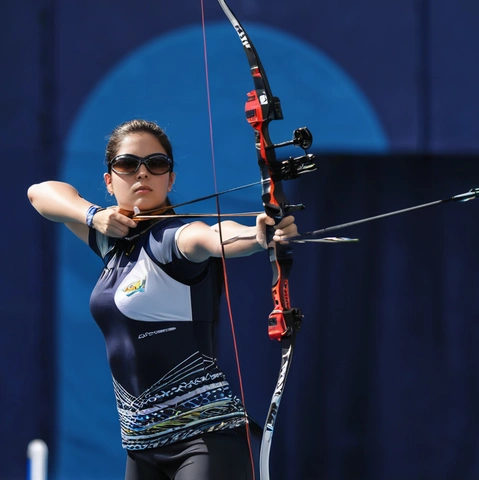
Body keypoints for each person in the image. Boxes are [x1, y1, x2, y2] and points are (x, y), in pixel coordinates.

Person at [27, 119, 298, 480]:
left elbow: (213, 237)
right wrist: (94, 216)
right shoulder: (112, 245)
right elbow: (40, 193)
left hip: (205, 441)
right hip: (141, 449)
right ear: (109, 181)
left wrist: (256, 235)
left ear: (170, 179)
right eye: (127, 164)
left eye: (156, 164)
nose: (142, 174)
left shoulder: (174, 239)